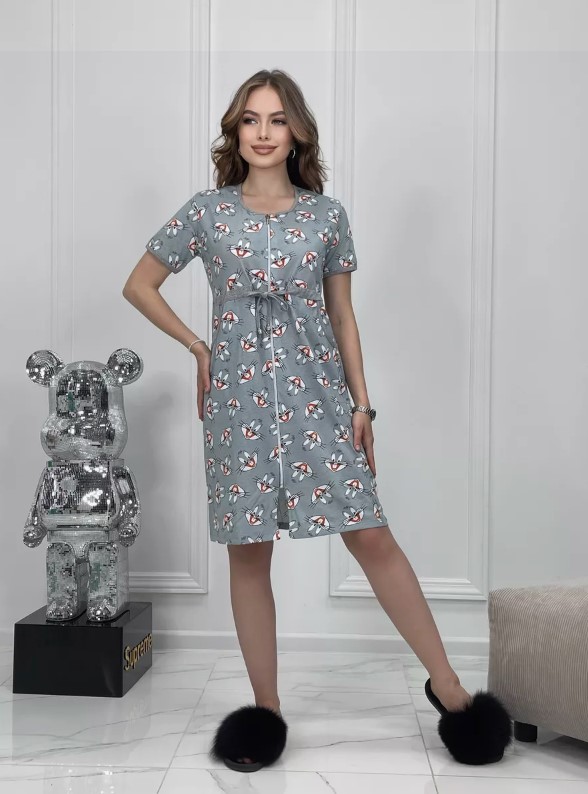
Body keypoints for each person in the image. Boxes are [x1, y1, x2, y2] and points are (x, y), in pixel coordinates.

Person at [123, 69, 511, 772]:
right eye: (250, 119)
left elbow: (342, 315)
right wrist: (198, 346)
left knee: (371, 535)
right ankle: (265, 712)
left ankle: (450, 690)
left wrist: (362, 405)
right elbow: (139, 284)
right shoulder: (207, 212)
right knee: (248, 550)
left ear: (297, 131)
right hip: (239, 402)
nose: (263, 133)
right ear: (235, 131)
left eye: (277, 119)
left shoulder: (325, 216)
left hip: (318, 398)